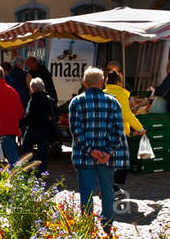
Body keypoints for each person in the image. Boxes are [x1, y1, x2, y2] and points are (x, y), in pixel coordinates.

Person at [69, 66, 128, 228]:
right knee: (107, 190)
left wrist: (90, 150)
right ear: (102, 83)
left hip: (84, 155)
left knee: (86, 192)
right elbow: (118, 131)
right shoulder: (113, 102)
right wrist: (108, 151)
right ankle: (107, 222)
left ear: (84, 83)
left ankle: (87, 225)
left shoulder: (76, 102)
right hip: (106, 157)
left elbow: (76, 131)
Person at [105, 64, 144, 188]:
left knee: (109, 162)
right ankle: (113, 186)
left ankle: (108, 186)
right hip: (119, 133)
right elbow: (127, 115)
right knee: (123, 163)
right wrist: (140, 128)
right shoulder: (121, 95)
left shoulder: (103, 93)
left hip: (104, 132)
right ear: (119, 82)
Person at [21, 76, 57, 174]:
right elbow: (53, 115)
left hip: (33, 128)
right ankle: (42, 171)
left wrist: (20, 123)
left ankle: (28, 170)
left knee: (26, 147)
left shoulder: (33, 100)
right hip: (44, 129)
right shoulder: (49, 99)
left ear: (33, 88)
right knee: (42, 151)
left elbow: (29, 116)